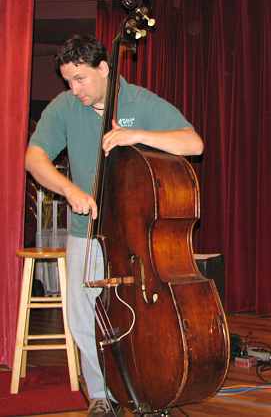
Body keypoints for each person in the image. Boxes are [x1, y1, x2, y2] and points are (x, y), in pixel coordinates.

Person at [25, 35, 204, 417]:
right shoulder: (65, 107)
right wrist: (69, 190)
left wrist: (137, 134)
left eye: (81, 79)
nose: (74, 90)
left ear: (104, 68)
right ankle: (101, 394)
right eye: (68, 81)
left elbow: (194, 144)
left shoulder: (140, 101)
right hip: (85, 231)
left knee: (144, 313)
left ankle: (147, 384)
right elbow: (35, 158)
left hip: (136, 234)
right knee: (80, 312)